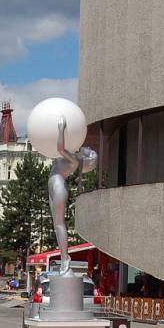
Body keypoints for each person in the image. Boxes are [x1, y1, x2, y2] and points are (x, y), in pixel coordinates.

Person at [51, 116, 98, 275]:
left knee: (59, 223)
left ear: (88, 158)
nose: (88, 147)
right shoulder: (73, 157)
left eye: (90, 151)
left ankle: (65, 259)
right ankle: (64, 257)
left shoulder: (75, 160)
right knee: (57, 224)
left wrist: (61, 129)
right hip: (53, 186)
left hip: (58, 187)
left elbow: (60, 149)